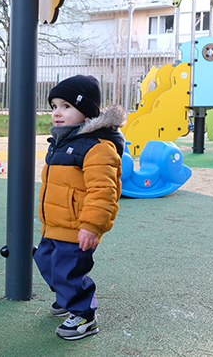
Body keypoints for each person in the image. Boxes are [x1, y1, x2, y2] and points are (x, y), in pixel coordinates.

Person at [33, 75, 127, 341]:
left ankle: (85, 316)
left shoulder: (98, 147)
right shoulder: (62, 142)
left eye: (66, 106)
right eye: (54, 107)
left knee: (68, 270)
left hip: (78, 227)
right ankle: (66, 297)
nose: (57, 113)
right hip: (54, 224)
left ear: (86, 113)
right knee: (45, 261)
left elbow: (103, 192)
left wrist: (91, 226)